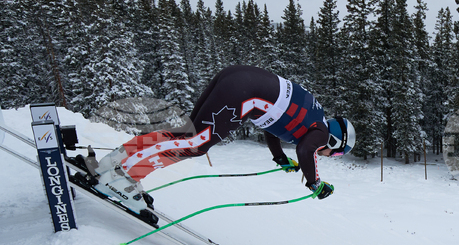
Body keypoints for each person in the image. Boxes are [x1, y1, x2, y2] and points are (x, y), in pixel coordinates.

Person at [91, 65, 355, 213]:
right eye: (339, 153)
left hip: (237, 79)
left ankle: (114, 164)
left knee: (188, 137)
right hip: (243, 93)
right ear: (335, 141)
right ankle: (123, 175)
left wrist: (278, 157)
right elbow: (306, 151)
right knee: (195, 146)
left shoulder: (311, 119)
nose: (332, 156)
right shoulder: (319, 132)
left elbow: (271, 127)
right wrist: (315, 184)